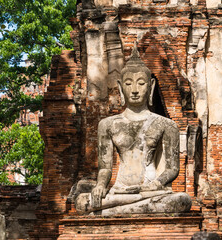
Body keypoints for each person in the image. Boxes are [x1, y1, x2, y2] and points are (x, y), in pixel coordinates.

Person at [75, 44, 191, 215]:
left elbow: (172, 169)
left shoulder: (166, 125)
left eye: (141, 83)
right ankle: (128, 207)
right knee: (82, 202)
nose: (135, 90)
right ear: (121, 87)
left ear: (151, 87)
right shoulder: (108, 125)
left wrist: (153, 186)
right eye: (129, 84)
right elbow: (105, 168)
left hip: (151, 191)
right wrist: (100, 186)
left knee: (181, 201)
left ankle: (115, 211)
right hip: (120, 191)